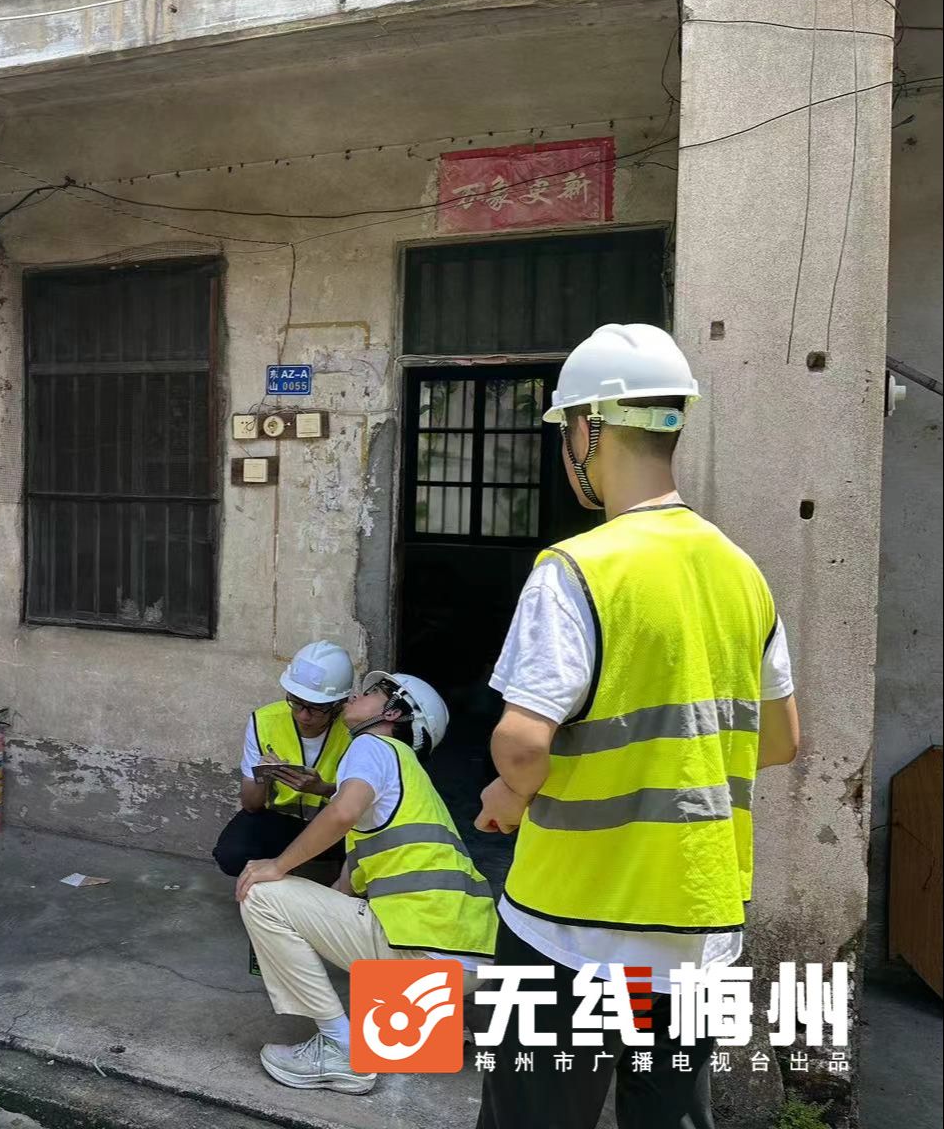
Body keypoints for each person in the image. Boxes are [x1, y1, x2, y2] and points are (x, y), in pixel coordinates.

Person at [472, 324, 802, 1129]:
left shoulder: (577, 570)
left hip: (569, 929)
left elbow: (521, 743)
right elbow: (782, 740)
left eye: (565, 431)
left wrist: (508, 796)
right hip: (697, 925)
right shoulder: (740, 571)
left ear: (586, 430)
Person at [236, 671, 496, 1094]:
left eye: (373, 692)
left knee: (262, 893)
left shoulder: (373, 745)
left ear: (392, 713)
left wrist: (277, 867)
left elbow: (341, 813)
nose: (356, 694)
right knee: (289, 901)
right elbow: (339, 898)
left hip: (428, 953)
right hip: (465, 960)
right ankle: (436, 1023)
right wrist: (287, 933)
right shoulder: (406, 786)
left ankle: (341, 1049)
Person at [212, 641, 355, 878]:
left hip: (333, 823)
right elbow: (251, 805)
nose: (303, 715)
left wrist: (323, 789)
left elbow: (363, 804)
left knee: (367, 852)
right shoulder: (264, 721)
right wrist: (263, 776)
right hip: (280, 820)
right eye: (296, 703)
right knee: (231, 854)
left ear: (338, 705)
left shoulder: (353, 731)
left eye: (316, 707)